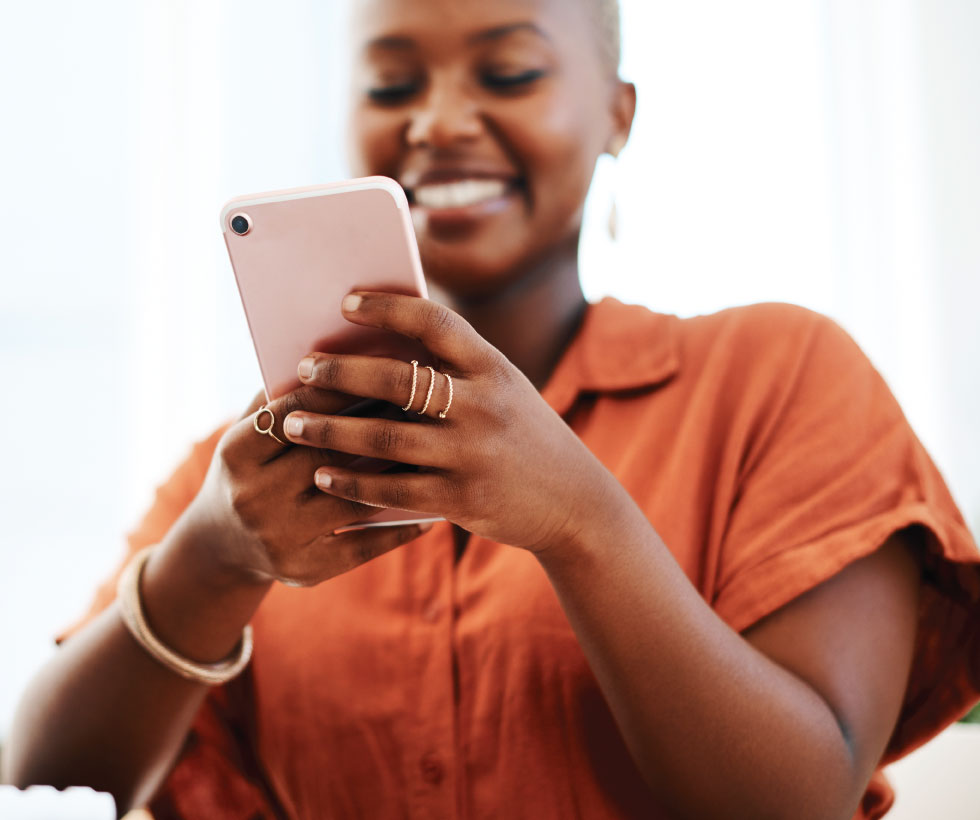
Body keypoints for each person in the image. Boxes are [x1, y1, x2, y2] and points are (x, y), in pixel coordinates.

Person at [4, 1, 979, 818]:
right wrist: (209, 559)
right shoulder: (253, 473)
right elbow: (47, 780)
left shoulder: (778, 375)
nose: (437, 120)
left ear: (617, 111)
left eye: (507, 72)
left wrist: (577, 521)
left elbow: (799, 799)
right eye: (391, 86)